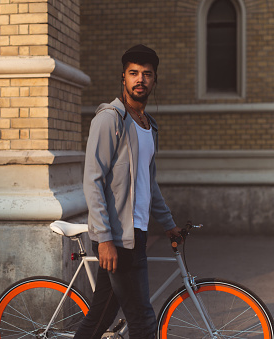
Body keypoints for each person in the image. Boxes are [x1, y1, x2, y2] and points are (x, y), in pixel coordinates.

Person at [74, 44, 182, 339]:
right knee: (143, 319)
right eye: (134, 73)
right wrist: (105, 239)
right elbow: (92, 180)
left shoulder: (150, 126)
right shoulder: (110, 119)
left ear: (154, 81)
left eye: (147, 74)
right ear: (123, 78)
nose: (140, 80)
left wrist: (169, 223)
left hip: (137, 233)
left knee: (101, 316)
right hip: (117, 237)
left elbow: (149, 183)